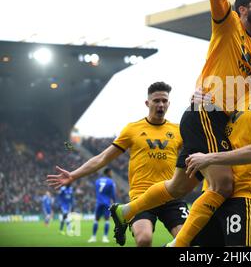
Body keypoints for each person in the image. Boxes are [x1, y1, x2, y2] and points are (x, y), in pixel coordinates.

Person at [110, 0, 251, 247]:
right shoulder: (229, 25)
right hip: (207, 113)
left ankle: (125, 212)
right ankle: (178, 245)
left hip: (215, 118)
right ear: (242, 9)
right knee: (223, 185)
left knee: (178, 186)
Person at [47, 82, 189, 247]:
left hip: (170, 195)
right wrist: (73, 175)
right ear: (147, 103)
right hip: (142, 197)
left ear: (169, 104)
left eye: (164, 101)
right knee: (144, 240)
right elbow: (103, 158)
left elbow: (194, 153)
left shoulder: (178, 130)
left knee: (186, 240)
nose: (161, 104)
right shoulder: (132, 129)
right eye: (156, 100)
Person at [182, 44, 251, 247]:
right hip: (213, 193)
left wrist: (208, 158)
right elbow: (213, 118)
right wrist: (200, 100)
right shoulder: (241, 94)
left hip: (242, 196)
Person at [88, 167, 116, 243]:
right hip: (107, 203)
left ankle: (93, 237)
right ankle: (105, 237)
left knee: (96, 220)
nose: (112, 174)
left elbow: (97, 191)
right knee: (107, 220)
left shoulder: (97, 181)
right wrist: (114, 202)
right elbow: (113, 194)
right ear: (108, 172)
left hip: (99, 202)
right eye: (111, 172)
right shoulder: (111, 182)